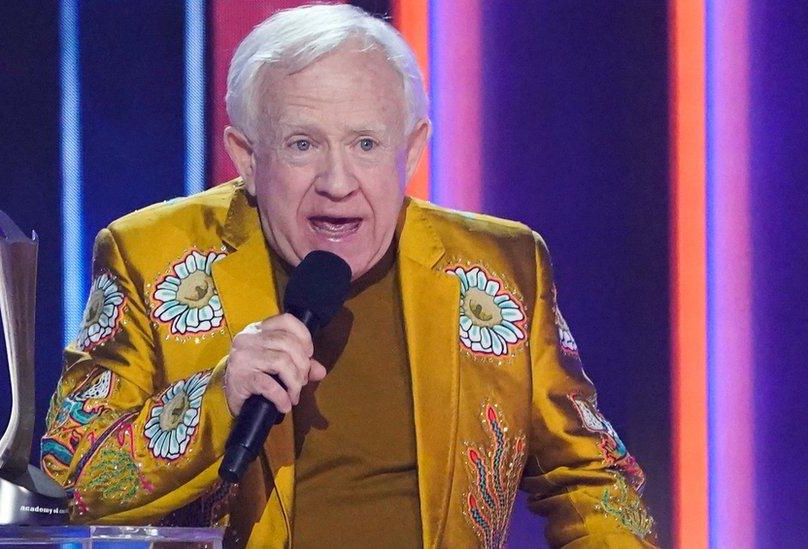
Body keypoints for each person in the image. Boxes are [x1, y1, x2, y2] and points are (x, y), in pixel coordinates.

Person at [41, 4, 656, 547]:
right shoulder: (151, 256)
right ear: (247, 156)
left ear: (410, 152)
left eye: (365, 143)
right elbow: (67, 482)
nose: (337, 183)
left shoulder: (500, 267)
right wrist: (216, 397)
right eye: (303, 145)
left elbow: (593, 478)